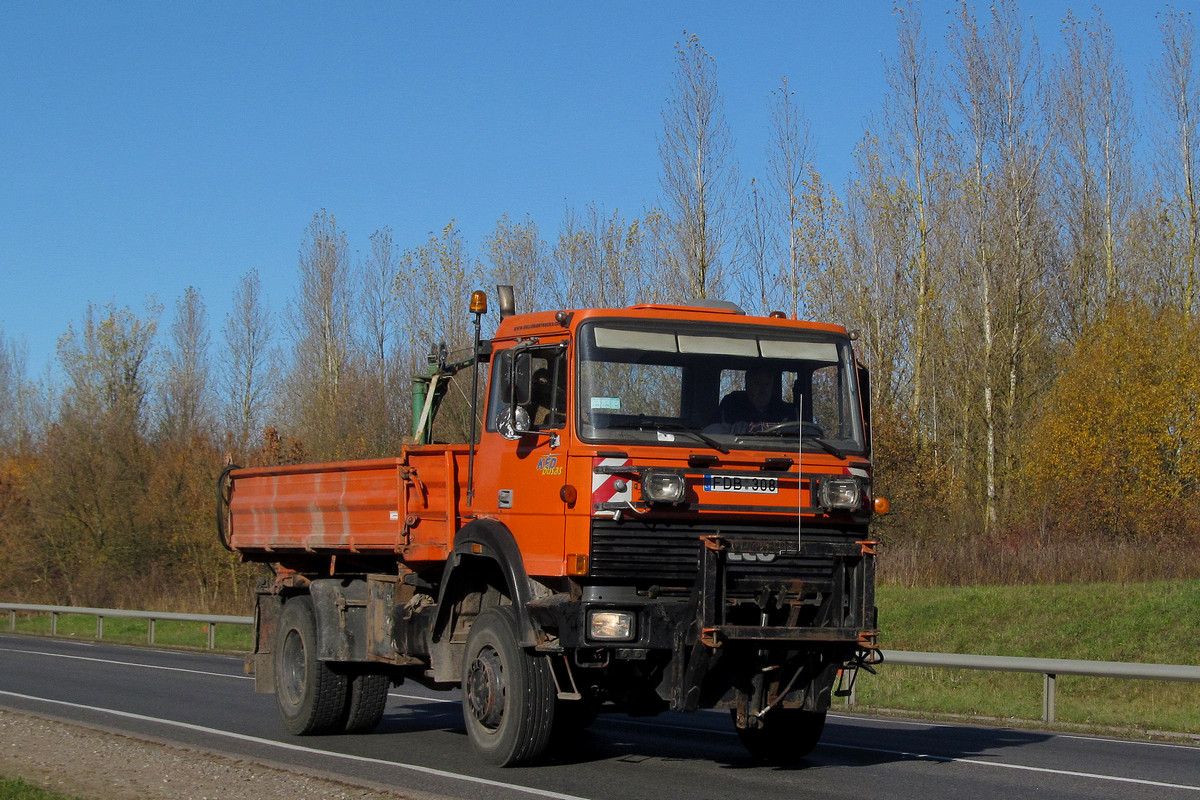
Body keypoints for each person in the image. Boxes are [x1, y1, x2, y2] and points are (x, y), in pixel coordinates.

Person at [711, 367, 794, 433]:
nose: (763, 390)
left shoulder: (785, 412)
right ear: (747, 385)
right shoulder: (730, 407)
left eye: (767, 384)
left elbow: (801, 436)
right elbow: (711, 432)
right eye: (757, 384)